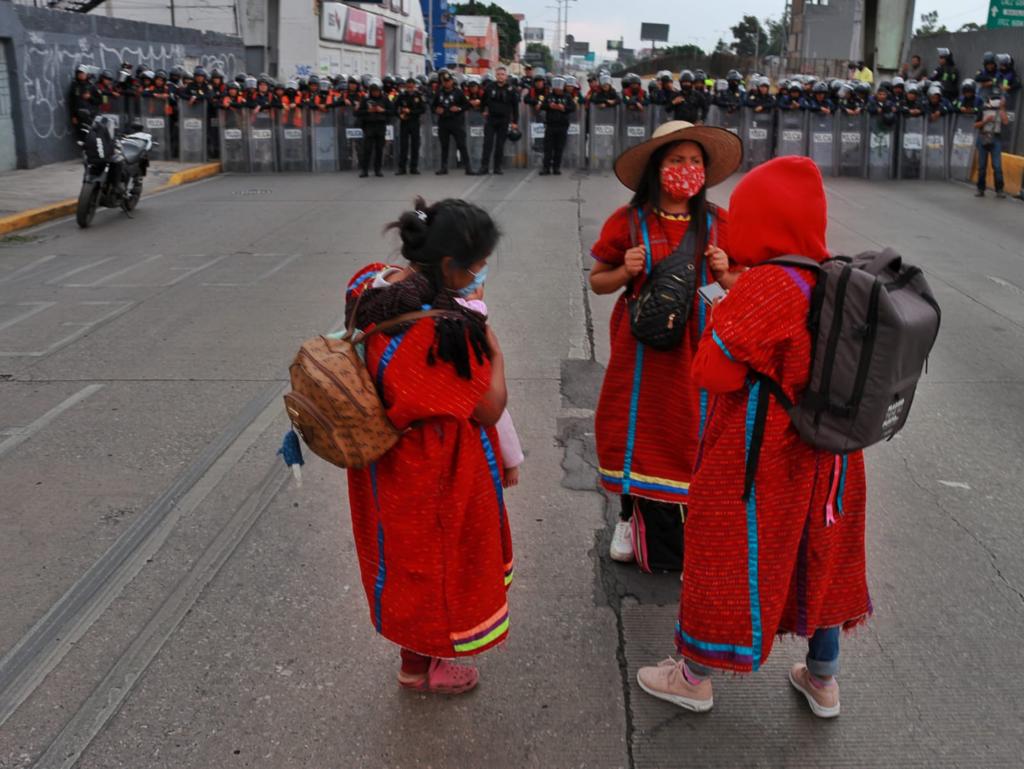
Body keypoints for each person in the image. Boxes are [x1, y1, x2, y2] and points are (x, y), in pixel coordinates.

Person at [636, 156, 871, 718]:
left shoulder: (769, 284)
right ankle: (823, 678)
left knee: (728, 550)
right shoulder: (830, 275)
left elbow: (710, 372)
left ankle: (692, 675)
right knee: (821, 552)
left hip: (765, 453)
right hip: (833, 455)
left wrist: (726, 308)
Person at [342, 196, 512, 695]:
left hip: (385, 464)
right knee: (442, 564)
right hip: (438, 470)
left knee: (406, 562)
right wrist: (495, 350)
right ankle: (437, 665)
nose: (481, 274)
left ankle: (412, 662)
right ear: (448, 266)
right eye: (477, 265)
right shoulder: (444, 334)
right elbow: (489, 407)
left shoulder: (374, 286)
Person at [589, 121, 740, 567]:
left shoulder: (720, 223)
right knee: (631, 426)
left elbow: (742, 282)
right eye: (677, 160)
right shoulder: (628, 222)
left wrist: (726, 270)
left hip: (702, 345)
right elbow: (599, 282)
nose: (687, 169)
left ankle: (694, 525)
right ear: (657, 168)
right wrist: (625, 272)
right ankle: (627, 518)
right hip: (642, 351)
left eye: (695, 161)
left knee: (696, 429)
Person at [974, 73, 1010, 198]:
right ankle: (980, 188)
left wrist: (1002, 109)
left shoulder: (1000, 111)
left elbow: (1005, 122)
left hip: (996, 138)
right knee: (982, 166)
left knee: (997, 166)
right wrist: (985, 121)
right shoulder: (983, 110)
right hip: (983, 136)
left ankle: (999, 189)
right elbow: (976, 125)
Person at [433, 70, 475, 175]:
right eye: (445, 81)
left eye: (449, 81)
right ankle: (444, 167)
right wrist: (436, 109)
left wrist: (459, 108)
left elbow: (467, 105)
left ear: (452, 81)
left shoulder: (458, 92)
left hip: (456, 122)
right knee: (444, 145)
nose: (447, 83)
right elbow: (432, 105)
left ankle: (468, 167)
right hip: (443, 122)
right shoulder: (439, 92)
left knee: (461, 145)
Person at [481, 66, 519, 175]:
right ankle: (484, 167)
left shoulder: (511, 89)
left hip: (504, 120)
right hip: (491, 120)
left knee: (500, 145)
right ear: (495, 75)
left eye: (502, 74)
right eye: (498, 74)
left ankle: (497, 167)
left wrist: (515, 122)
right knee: (487, 143)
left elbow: (515, 107)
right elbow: (483, 101)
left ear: (506, 76)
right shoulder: (489, 87)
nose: (500, 76)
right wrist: (483, 110)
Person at [539, 76, 575, 176]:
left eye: (560, 87)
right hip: (550, 125)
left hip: (562, 126)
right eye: (556, 87)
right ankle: (546, 168)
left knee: (559, 148)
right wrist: (549, 106)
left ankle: (556, 167)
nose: (558, 89)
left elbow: (573, 107)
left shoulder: (567, 97)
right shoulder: (549, 96)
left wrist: (563, 108)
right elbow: (542, 106)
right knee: (548, 148)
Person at [357, 78, 392, 178]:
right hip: (369, 126)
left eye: (376, 90)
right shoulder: (365, 99)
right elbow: (358, 112)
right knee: (367, 149)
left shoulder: (385, 99)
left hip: (381, 126)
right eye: (373, 90)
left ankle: (378, 170)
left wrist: (382, 110)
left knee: (379, 149)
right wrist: (368, 111)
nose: (375, 92)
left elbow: (392, 111)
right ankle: (365, 170)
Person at [395, 77, 426, 176]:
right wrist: (399, 115)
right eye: (408, 87)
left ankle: (414, 167)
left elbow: (423, 109)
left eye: (412, 87)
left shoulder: (419, 96)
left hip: (415, 123)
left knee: (415, 146)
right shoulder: (401, 96)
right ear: (406, 87)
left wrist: (411, 112)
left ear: (414, 87)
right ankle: (402, 168)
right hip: (404, 123)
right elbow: (394, 107)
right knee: (403, 146)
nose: (410, 89)